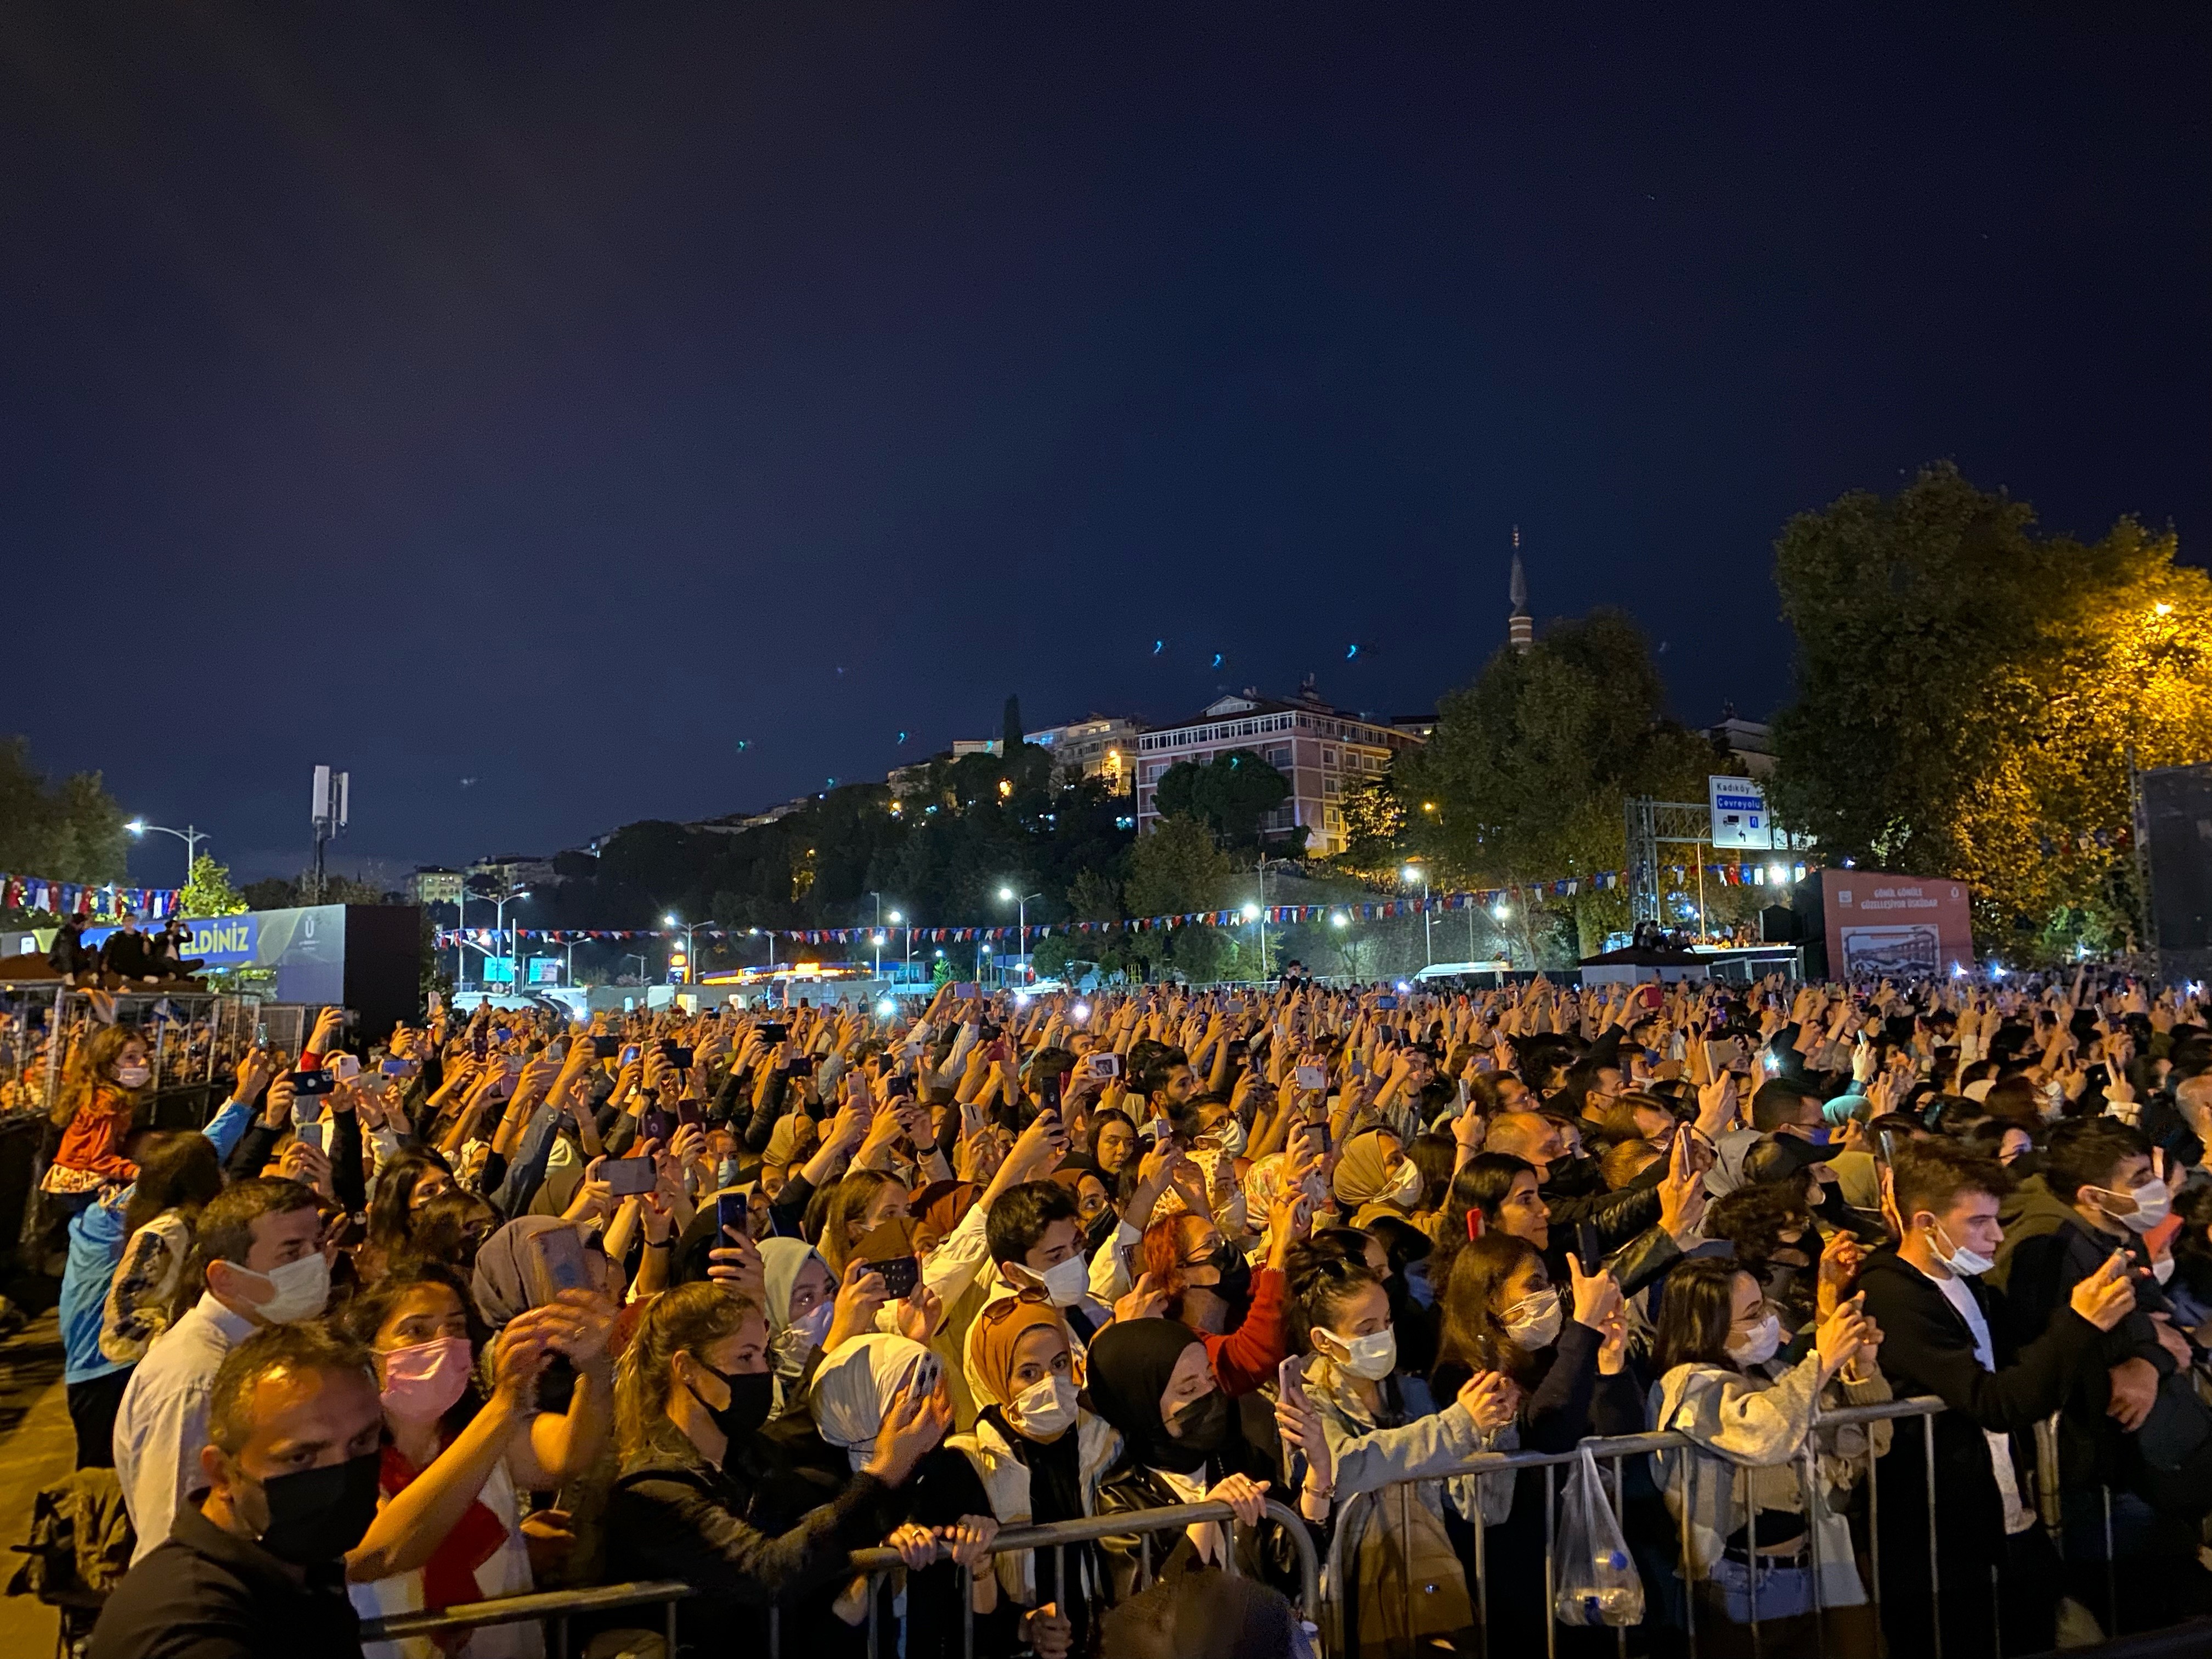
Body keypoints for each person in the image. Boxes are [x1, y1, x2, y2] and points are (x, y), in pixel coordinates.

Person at [1854, 1139, 2137, 1659]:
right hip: (1941, 1539)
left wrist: (2135, 1350)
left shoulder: (1967, 1281)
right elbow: (1994, 1400)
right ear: (1925, 1223)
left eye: (1997, 1219)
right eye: (1979, 1222)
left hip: (2007, 1513)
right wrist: (2080, 1323)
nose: (1997, 1236)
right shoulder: (1895, 1297)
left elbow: (2026, 1353)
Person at [603, 1282, 947, 1652]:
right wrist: (884, 1471)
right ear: (686, 1368)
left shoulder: (754, 1454)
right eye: (745, 1358)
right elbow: (768, 1571)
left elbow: (810, 1426)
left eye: (764, 1356)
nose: (761, 1372)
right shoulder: (651, 1491)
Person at [340, 1269, 616, 1657]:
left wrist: (597, 1372)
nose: (443, 1343)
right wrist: (503, 1407)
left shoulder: (481, 1432)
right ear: (370, 1352)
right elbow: (380, 1554)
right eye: (417, 1331)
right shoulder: (344, 1455)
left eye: (455, 1328)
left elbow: (568, 1455)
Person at [87, 1323, 386, 1659]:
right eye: (300, 1457)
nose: (341, 1478)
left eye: (362, 1442)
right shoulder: (191, 1628)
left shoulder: (295, 1567)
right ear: (223, 1475)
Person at [1273, 1250, 1516, 1657]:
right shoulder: (1306, 1403)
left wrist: (1494, 1429)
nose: (1383, 1337)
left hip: (1433, 1581)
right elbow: (1344, 1468)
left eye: (1386, 1323)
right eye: (1366, 1329)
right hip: (1350, 1589)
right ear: (1323, 1340)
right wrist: (1456, 1427)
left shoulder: (1414, 1394)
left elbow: (1481, 1507)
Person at [1647, 1257, 1889, 1651]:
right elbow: (1764, 1436)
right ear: (1710, 1328)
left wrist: (1861, 1371)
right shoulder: (1688, 1386)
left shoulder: (1774, 1373)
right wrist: (1822, 1361)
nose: (1769, 1318)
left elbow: (1867, 1443)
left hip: (1814, 1563)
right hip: (1745, 1581)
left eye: (1765, 1305)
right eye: (1752, 1313)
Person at [114, 1177, 330, 1563]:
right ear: (225, 1277)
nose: (315, 1264)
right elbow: (173, 1541)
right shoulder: (195, 1384)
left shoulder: (258, 1347)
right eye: (291, 1254)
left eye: (317, 1245)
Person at [950, 1293, 1119, 1659]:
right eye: (1029, 1373)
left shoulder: (1105, 1438)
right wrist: (1023, 1626)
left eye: (1059, 1364)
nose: (1050, 1381)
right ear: (997, 1377)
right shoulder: (970, 1460)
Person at [1085, 1317, 1278, 1598]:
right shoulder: (1124, 1497)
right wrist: (1206, 1516)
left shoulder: (1234, 1453)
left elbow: (1286, 1566)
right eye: (1188, 1390)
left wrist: (1318, 1478)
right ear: (1142, 1406)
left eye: (1210, 1377)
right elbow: (1150, 1615)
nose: (1210, 1393)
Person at [43, 1024, 156, 1200]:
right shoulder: (106, 1103)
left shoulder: (112, 1096)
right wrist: (139, 1173)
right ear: (109, 1066)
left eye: (144, 1055)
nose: (142, 1062)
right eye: (131, 1057)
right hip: (80, 1184)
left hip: (86, 1178)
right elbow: (99, 1159)